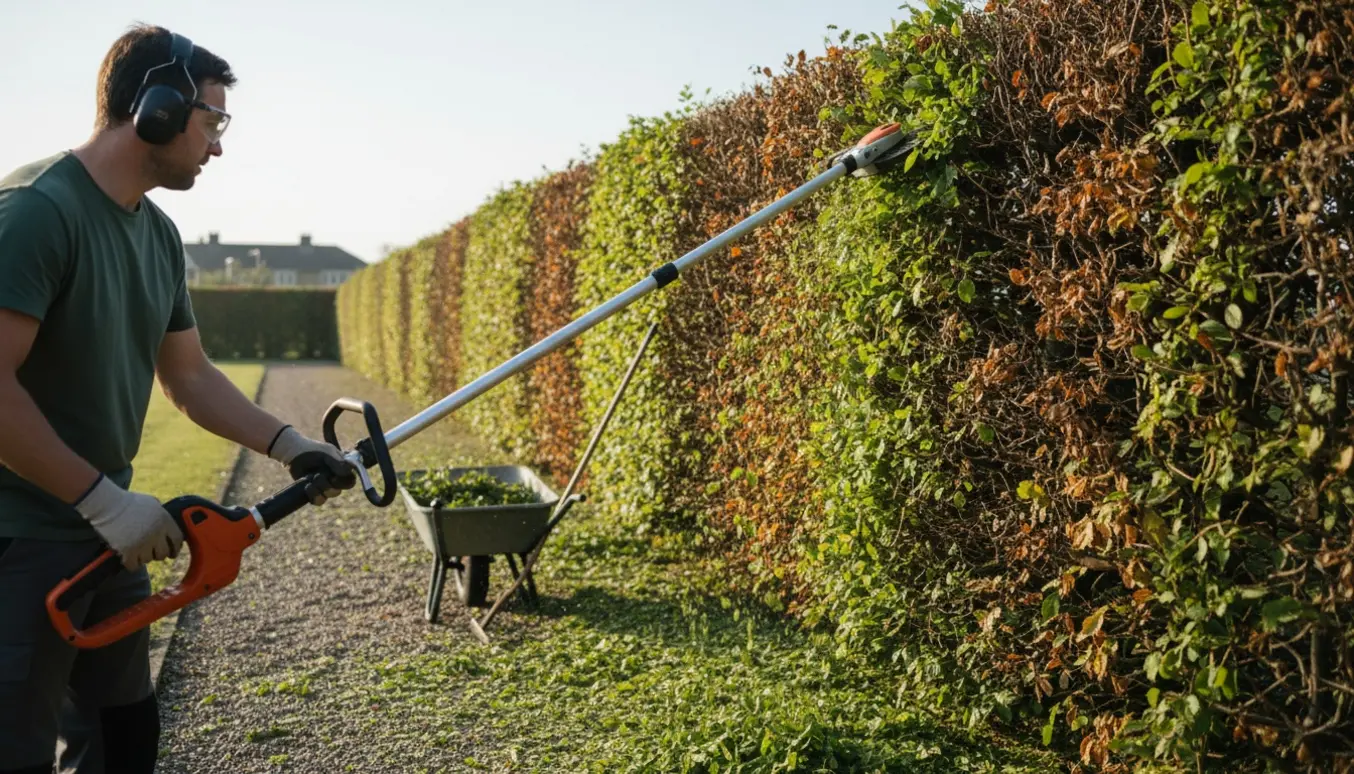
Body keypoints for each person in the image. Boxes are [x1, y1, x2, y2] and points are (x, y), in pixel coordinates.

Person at [0, 24, 357, 774]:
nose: (217, 145)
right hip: (20, 542)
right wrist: (104, 502)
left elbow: (189, 379)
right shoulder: (36, 212)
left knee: (126, 741)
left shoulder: (158, 236)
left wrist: (291, 446)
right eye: (212, 121)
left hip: (107, 537)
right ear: (155, 109)